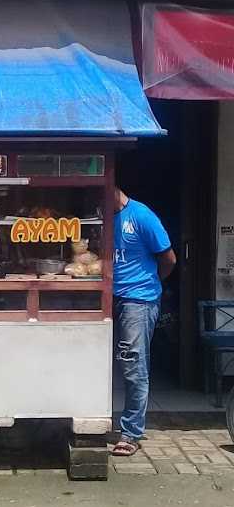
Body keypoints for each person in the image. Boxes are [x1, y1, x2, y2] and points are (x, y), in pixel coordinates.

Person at [111, 188, 176, 457]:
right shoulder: (103, 215)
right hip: (106, 295)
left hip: (138, 299)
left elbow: (169, 258)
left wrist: (151, 285)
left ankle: (131, 432)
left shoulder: (141, 215)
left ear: (113, 190)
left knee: (134, 363)